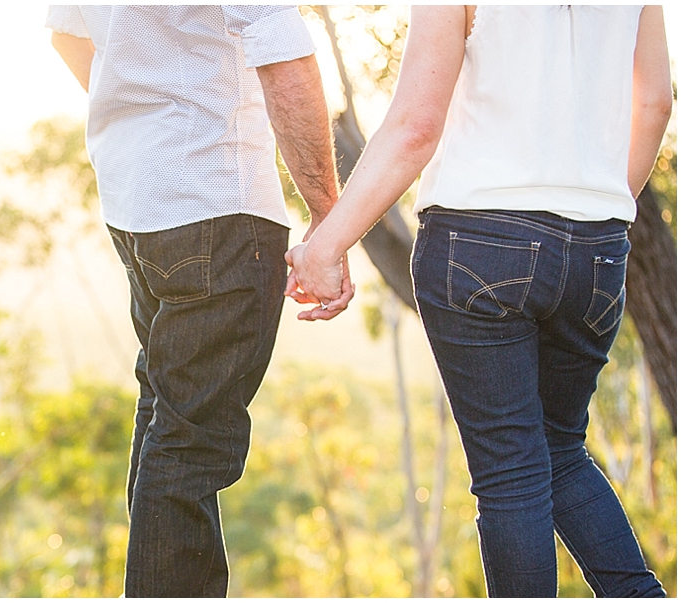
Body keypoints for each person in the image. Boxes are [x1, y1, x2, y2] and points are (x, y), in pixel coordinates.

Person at [286, 5, 671, 597]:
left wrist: (329, 242)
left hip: (481, 238)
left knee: (511, 474)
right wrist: (603, 212)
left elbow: (417, 125)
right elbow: (655, 102)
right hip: (596, 248)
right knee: (561, 450)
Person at [46, 5, 352, 597]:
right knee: (188, 445)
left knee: (167, 416)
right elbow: (283, 47)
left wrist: (151, 119)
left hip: (139, 204)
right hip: (215, 200)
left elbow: (67, 36)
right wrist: (328, 217)